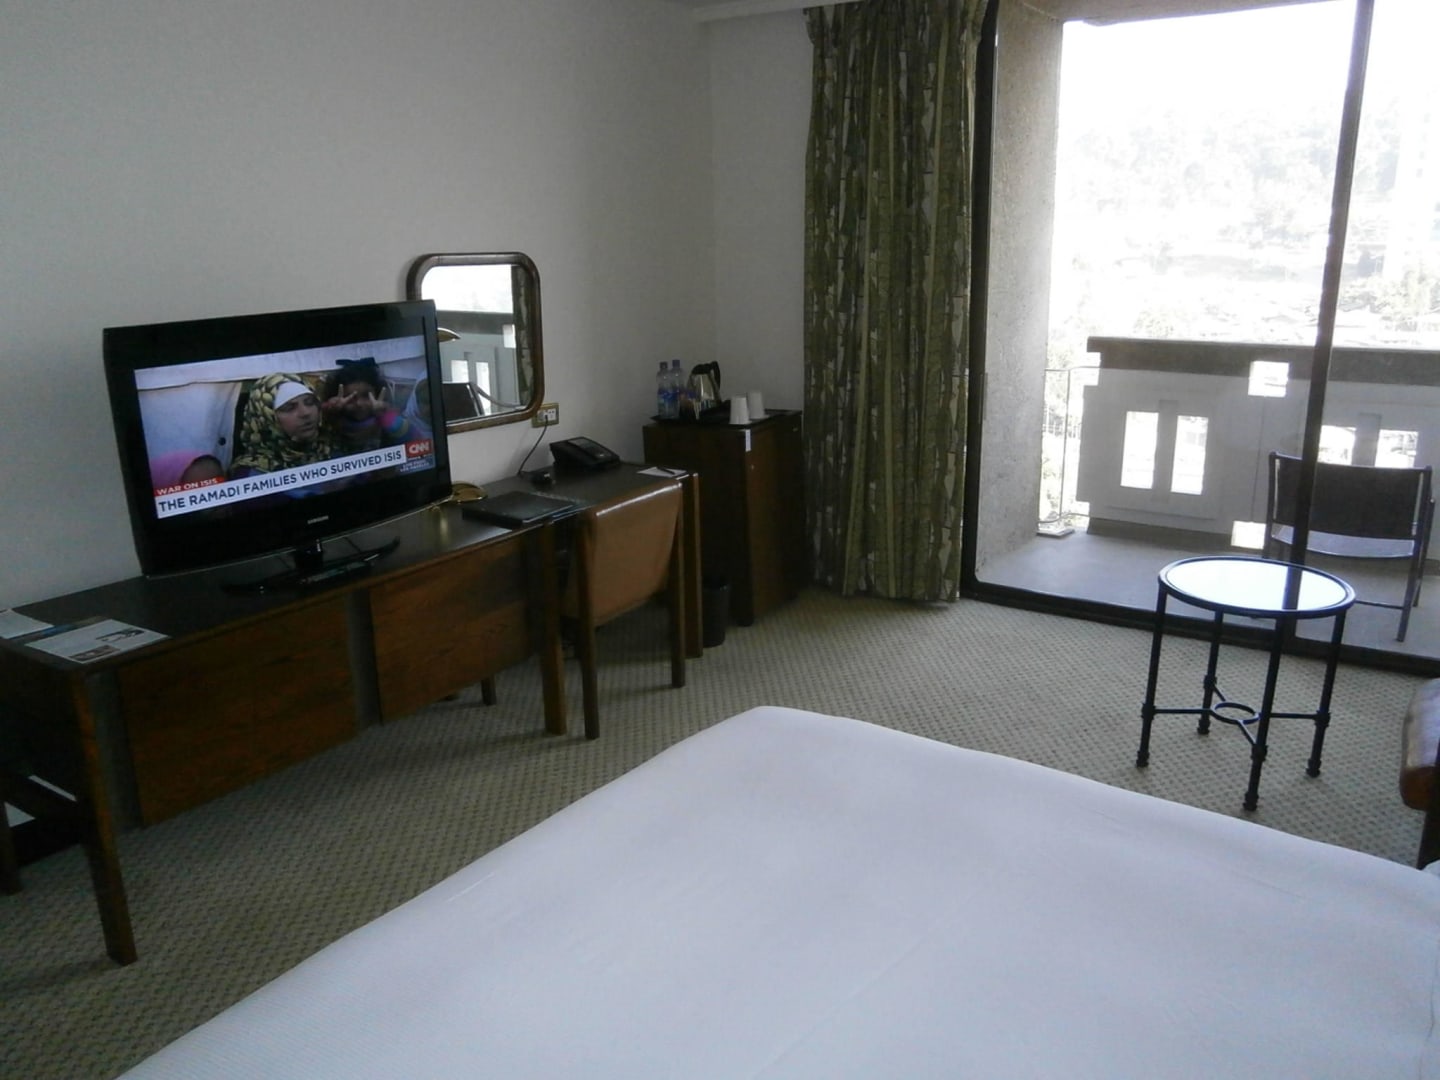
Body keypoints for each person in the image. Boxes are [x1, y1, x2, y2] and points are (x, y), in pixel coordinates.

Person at [230, 373, 337, 481]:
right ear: (266, 418)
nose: (305, 413)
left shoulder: (330, 450)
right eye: (289, 408)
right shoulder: (251, 476)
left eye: (309, 402)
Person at [321, 357, 422, 454]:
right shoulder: (333, 423)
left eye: (366, 395)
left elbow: (416, 441)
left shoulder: (388, 420)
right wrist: (329, 409)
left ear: (377, 393)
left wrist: (385, 416)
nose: (359, 403)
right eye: (351, 398)